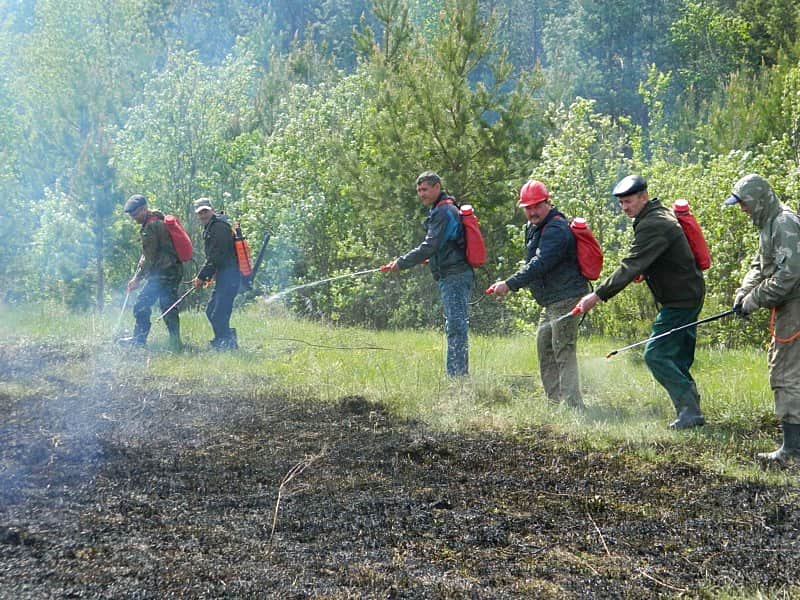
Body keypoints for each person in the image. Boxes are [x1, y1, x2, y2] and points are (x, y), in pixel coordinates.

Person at [575, 175, 706, 429]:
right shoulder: (656, 215)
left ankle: (690, 411)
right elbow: (654, 257)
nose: (625, 207)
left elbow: (630, 265)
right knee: (677, 355)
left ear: (643, 197)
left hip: (680, 300)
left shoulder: (653, 223)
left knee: (655, 354)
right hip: (688, 293)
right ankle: (691, 408)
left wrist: (596, 295)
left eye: (629, 201)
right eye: (621, 203)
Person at [487, 180, 589, 408]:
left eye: (536, 206)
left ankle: (574, 406)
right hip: (550, 300)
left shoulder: (556, 228)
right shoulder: (534, 227)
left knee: (562, 348)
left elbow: (540, 264)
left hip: (566, 297)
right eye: (528, 207)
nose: (532, 212)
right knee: (545, 348)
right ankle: (555, 401)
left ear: (547, 203)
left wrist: (509, 284)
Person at [724, 174, 800, 465]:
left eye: (743, 204)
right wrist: (742, 293)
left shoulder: (783, 223)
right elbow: (760, 264)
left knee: (785, 373)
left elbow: (789, 275)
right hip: (787, 307)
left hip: (795, 307)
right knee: (785, 368)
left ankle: (793, 450)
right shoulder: (768, 224)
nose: (742, 209)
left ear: (758, 200)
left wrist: (754, 300)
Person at [382, 171, 474, 377]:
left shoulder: (443, 212)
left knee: (456, 328)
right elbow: (442, 245)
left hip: (455, 276)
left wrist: (401, 263)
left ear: (437, 187)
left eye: (424, 189)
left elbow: (429, 245)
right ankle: (457, 376)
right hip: (452, 275)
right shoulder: (444, 210)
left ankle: (458, 379)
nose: (421, 194)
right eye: (418, 190)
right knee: (455, 325)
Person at [118, 194, 182, 350]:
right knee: (168, 306)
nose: (134, 218)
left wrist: (137, 279)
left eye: (135, 214)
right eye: (131, 215)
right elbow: (149, 254)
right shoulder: (156, 220)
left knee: (142, 305)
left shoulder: (151, 226)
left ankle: (139, 340)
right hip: (171, 270)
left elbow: (150, 258)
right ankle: (175, 342)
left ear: (144, 209)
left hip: (164, 273)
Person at [192, 197, 241, 350]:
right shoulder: (211, 226)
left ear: (212, 210)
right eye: (200, 213)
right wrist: (209, 275)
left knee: (218, 313)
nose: (203, 215)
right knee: (212, 311)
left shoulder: (218, 227)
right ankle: (224, 340)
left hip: (230, 276)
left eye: (205, 211)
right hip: (224, 277)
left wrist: (201, 276)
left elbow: (216, 257)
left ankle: (226, 344)